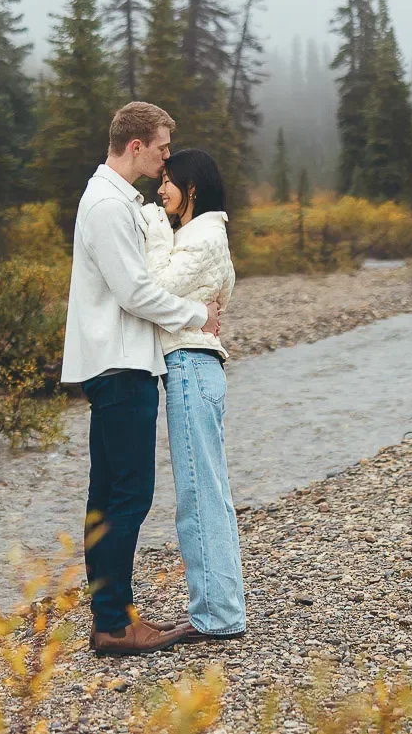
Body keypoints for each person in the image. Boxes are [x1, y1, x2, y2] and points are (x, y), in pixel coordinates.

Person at [60, 101, 223, 657]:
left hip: (114, 362)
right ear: (136, 146)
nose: (166, 157)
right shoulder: (106, 205)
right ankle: (116, 625)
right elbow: (134, 292)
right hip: (121, 363)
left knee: (107, 496)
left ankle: (111, 618)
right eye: (161, 147)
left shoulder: (112, 200)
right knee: (129, 494)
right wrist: (198, 315)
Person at [141, 149, 247, 643]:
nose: (160, 191)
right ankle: (221, 608)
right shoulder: (205, 235)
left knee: (199, 495)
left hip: (189, 366)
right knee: (210, 491)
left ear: (193, 187)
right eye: (160, 180)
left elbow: (154, 287)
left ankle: (217, 616)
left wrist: (153, 228)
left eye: (168, 181)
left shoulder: (202, 234)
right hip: (197, 368)